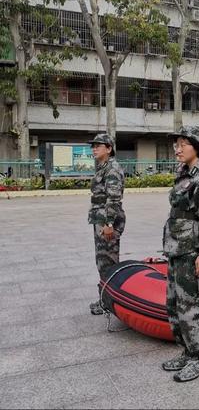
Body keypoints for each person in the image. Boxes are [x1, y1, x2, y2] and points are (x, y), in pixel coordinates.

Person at [162, 126, 199, 382]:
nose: (178, 148)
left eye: (184, 143)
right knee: (174, 304)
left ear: (197, 146)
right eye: (177, 143)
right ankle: (186, 350)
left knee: (191, 306)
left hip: (192, 250)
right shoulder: (184, 172)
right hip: (177, 247)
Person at [86, 134, 125, 315]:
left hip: (107, 223)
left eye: (98, 146)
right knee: (102, 262)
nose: (94, 148)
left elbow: (114, 198)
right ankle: (106, 299)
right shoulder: (102, 167)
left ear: (109, 148)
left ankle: (111, 302)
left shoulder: (112, 169)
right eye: (93, 146)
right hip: (100, 220)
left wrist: (109, 223)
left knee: (108, 262)